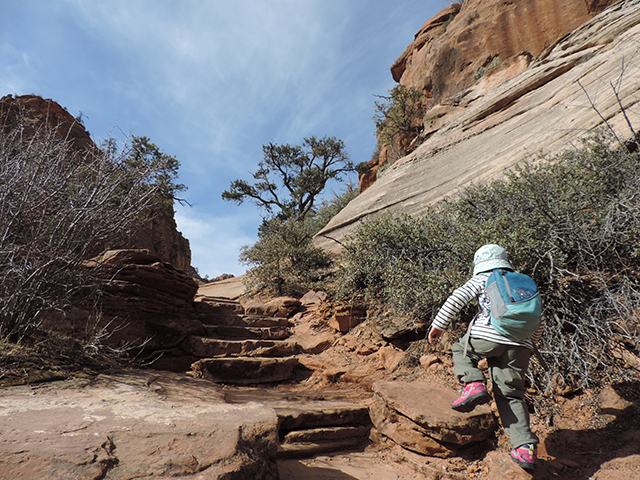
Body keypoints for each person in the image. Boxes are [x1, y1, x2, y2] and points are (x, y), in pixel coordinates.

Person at [427, 244, 543, 470]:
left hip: (488, 335)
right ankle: (525, 447)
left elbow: (458, 296)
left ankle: (473, 384)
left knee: (460, 350)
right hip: (520, 345)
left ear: (479, 264)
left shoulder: (484, 278)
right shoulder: (523, 283)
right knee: (511, 394)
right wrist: (529, 345)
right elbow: (539, 317)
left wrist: (438, 325)